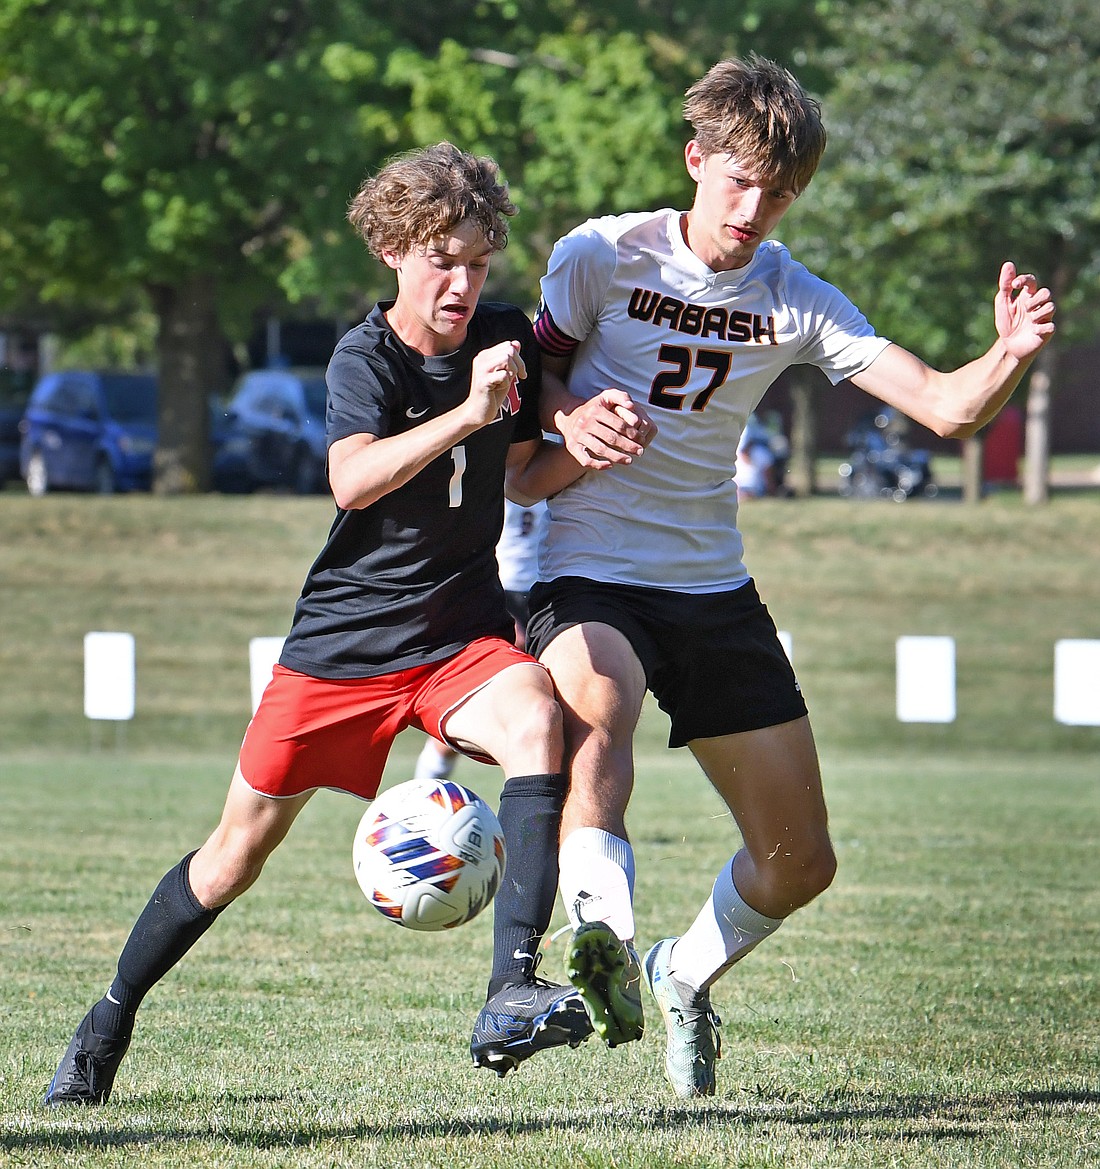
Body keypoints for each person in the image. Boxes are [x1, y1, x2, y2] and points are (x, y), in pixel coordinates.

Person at [481, 54, 1056, 1098]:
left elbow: (941, 404)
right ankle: (599, 929)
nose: (752, 210)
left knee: (799, 862)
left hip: (710, 585)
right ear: (694, 159)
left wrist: (1006, 351)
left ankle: (677, 969)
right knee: (598, 704)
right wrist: (569, 416)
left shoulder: (794, 297)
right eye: (738, 181)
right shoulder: (600, 254)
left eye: (778, 193)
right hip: (586, 565)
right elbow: (536, 371)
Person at [44, 141, 601, 1106]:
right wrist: (470, 413)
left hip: (457, 637)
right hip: (340, 652)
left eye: (477, 261)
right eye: (442, 260)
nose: (462, 282)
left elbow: (523, 470)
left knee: (538, 719)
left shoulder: (507, 336)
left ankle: (510, 987)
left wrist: (586, 443)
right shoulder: (363, 357)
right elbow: (351, 477)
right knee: (232, 858)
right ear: (393, 250)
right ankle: (107, 1020)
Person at [414, 497, 549, 782]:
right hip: (500, 589)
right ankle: (426, 788)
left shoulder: (560, 465)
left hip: (547, 590)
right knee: (486, 695)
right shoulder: (499, 471)